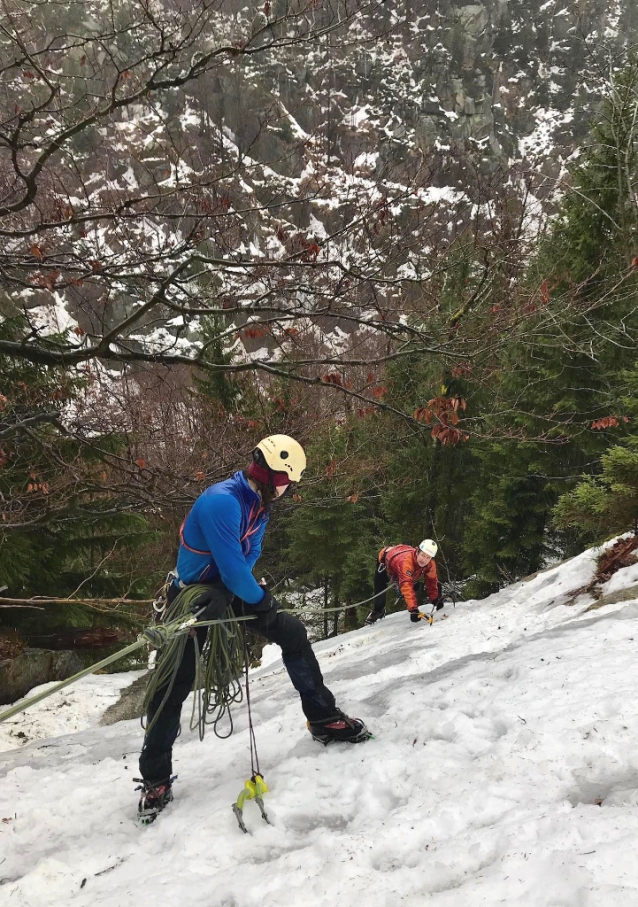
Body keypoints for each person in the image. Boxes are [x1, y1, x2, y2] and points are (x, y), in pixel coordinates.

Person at [138, 434, 369, 821]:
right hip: (193, 595)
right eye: (288, 482)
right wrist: (258, 600)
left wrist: (251, 596)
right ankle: (155, 778)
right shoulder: (222, 502)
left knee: (293, 634)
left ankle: (323, 718)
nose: (288, 490)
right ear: (277, 476)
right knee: (175, 681)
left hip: (229, 588)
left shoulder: (258, 506)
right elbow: (230, 565)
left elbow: (249, 557)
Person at [365, 539, 444, 625]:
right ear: (417, 552)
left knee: (415, 586)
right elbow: (406, 585)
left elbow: (431, 581)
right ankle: (378, 611)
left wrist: (435, 599)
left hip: (401, 555)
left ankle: (400, 589)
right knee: (380, 587)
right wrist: (413, 610)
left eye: (428, 557)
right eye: (423, 555)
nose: (424, 560)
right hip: (386, 560)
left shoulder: (430, 564)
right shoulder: (406, 562)